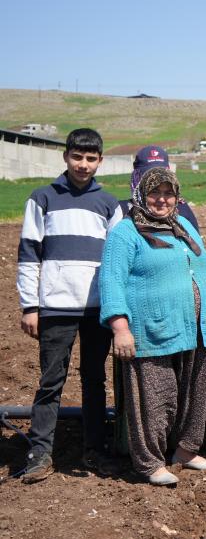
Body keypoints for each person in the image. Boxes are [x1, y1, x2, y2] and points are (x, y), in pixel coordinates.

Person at [100, 168, 206, 485]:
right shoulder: (125, 233)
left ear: (177, 197)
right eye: (155, 193)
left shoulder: (183, 225)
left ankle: (186, 451)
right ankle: (150, 463)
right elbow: (111, 282)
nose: (162, 199)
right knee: (156, 399)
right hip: (153, 330)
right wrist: (120, 327)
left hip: (198, 328)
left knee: (199, 393)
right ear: (141, 195)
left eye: (168, 193)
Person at [17, 128, 123, 483]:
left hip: (96, 309)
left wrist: (116, 308)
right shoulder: (43, 197)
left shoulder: (109, 205)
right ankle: (39, 453)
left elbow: (117, 261)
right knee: (51, 381)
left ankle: (94, 450)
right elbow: (29, 254)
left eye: (91, 158)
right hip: (55, 308)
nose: (83, 164)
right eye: (77, 157)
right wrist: (30, 306)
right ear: (66, 157)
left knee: (94, 380)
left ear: (100, 161)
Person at [119, 145, 199, 230]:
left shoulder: (182, 210)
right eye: (154, 191)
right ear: (137, 177)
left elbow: (195, 241)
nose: (161, 199)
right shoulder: (121, 210)